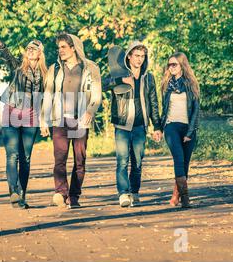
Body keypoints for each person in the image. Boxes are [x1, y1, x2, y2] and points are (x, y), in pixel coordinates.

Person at [40, 33, 102, 209]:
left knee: (80, 160)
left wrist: (90, 110)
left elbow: (97, 94)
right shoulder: (55, 69)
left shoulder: (90, 68)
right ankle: (61, 192)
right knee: (59, 158)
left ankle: (74, 196)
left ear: (73, 48)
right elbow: (48, 94)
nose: (60, 51)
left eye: (63, 47)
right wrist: (43, 120)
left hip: (81, 120)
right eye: (58, 47)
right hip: (60, 120)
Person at [103, 41, 162, 208]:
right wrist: (121, 80)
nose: (140, 59)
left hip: (140, 126)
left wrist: (157, 126)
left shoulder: (148, 78)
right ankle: (123, 193)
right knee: (122, 160)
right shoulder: (119, 74)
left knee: (137, 162)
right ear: (129, 56)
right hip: (122, 125)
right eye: (136, 56)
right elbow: (103, 84)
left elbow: (154, 103)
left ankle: (134, 192)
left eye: (143, 56)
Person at [0, 36, 47, 209]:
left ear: (40, 54)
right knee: (12, 155)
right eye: (28, 48)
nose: (30, 50)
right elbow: (8, 56)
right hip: (12, 113)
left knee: (26, 158)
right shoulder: (18, 68)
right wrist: (1, 46)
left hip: (32, 116)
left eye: (34, 48)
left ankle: (21, 195)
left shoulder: (46, 74)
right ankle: (14, 191)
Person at [161, 52, 200, 209]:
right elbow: (164, 109)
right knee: (178, 159)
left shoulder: (191, 85)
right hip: (171, 126)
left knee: (185, 164)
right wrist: (158, 127)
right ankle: (185, 198)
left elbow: (196, 111)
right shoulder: (166, 85)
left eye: (174, 64)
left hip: (187, 127)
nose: (171, 67)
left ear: (182, 65)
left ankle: (176, 194)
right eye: (169, 65)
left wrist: (190, 133)